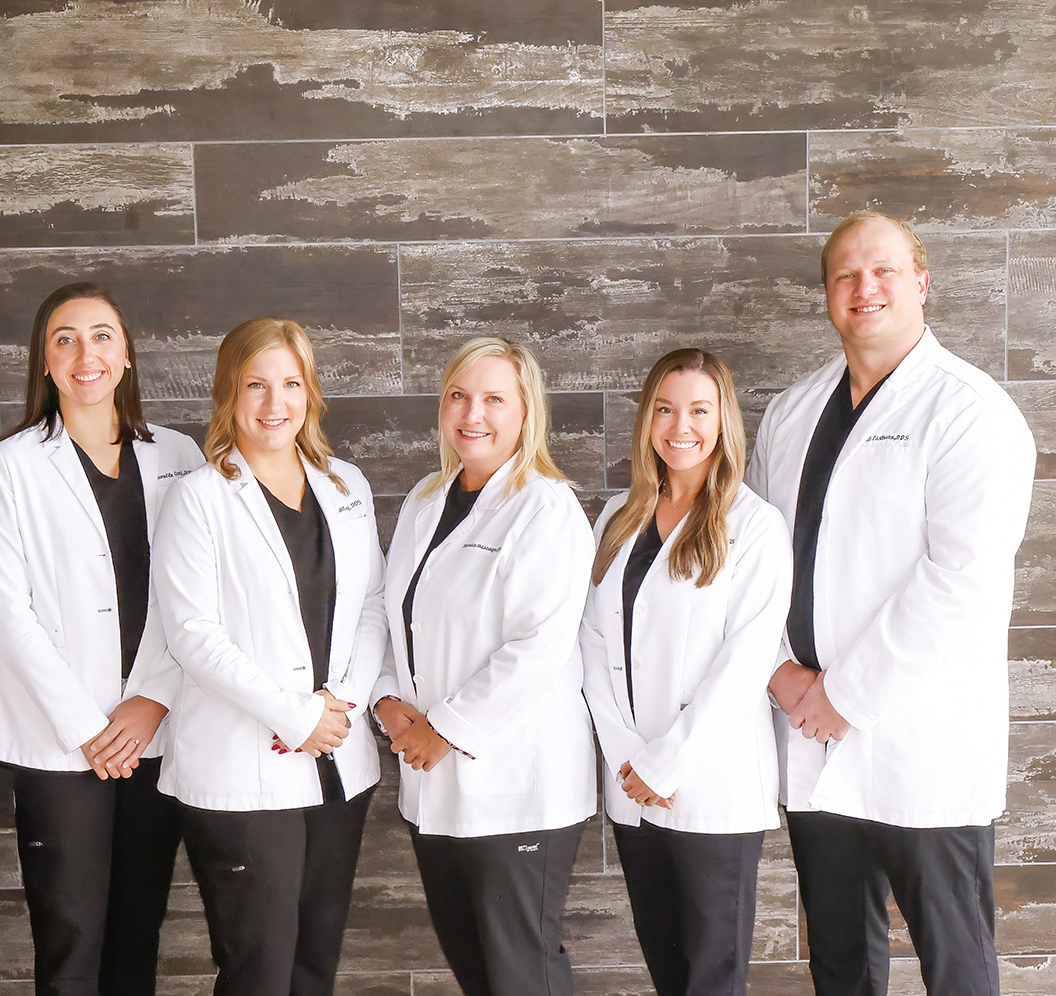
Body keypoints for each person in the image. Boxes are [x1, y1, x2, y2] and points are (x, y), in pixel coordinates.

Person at [746, 210, 1035, 996]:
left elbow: (962, 579)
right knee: (839, 964)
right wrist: (780, 675)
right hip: (810, 735)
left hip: (923, 744)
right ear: (827, 295)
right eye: (844, 274)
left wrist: (845, 695)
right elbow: (754, 561)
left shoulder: (970, 411)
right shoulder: (791, 413)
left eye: (883, 272)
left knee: (957, 964)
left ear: (921, 284)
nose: (863, 287)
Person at [0, 283, 205, 995]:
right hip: (56, 741)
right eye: (65, 338)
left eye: (101, 335)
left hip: (154, 732)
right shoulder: (11, 465)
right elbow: (9, 611)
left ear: (126, 353)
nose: (85, 354)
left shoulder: (179, 454)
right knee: (70, 935)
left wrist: (151, 702)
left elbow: (195, 595)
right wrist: (87, 727)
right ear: (44, 361)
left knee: (137, 930)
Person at [150, 317, 386, 996]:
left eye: (289, 384)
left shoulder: (346, 485)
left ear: (310, 393)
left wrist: (336, 704)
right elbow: (192, 634)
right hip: (243, 768)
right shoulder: (199, 498)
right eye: (255, 385)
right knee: (260, 971)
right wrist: (291, 715)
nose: (273, 403)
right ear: (228, 393)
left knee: (313, 964)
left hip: (336, 762)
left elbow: (370, 605)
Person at [372, 336, 597, 996]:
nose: (474, 414)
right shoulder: (424, 499)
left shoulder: (546, 507)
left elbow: (538, 648)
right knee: (479, 972)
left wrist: (443, 728)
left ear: (526, 411)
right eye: (459, 396)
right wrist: (387, 701)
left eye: (495, 399)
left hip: (517, 787)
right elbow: (395, 618)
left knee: (520, 974)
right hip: (432, 783)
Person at [580, 348, 792, 996]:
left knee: (711, 980)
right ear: (648, 420)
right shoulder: (618, 517)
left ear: (723, 419)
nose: (681, 427)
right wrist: (629, 760)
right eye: (666, 410)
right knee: (670, 975)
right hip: (634, 785)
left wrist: (664, 763)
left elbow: (745, 663)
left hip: (710, 788)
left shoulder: (754, 526)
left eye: (699, 410)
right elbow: (590, 645)